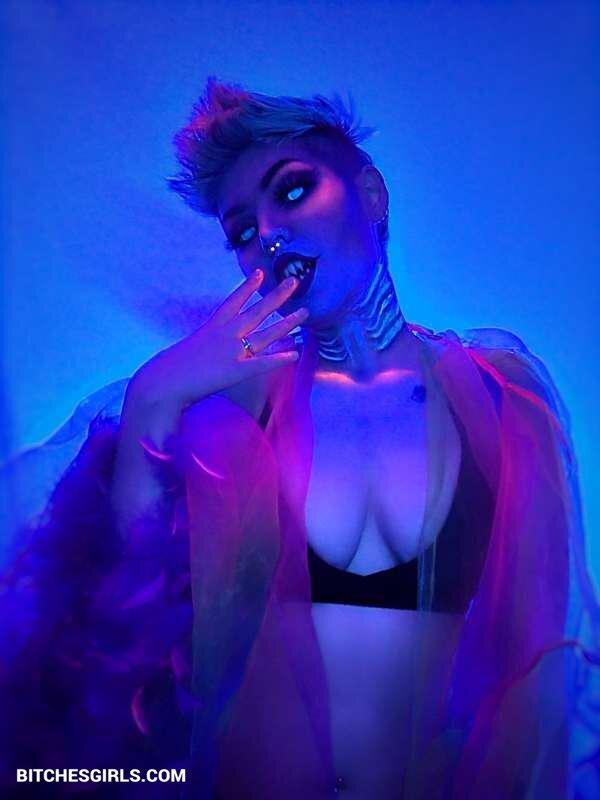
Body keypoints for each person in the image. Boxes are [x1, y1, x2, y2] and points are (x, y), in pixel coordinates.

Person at [1, 77, 598, 800]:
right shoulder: (234, 417)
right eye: (242, 232)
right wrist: (157, 392)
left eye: (291, 191)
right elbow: (126, 632)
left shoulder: (499, 395)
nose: (269, 237)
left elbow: (537, 666)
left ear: (371, 195)